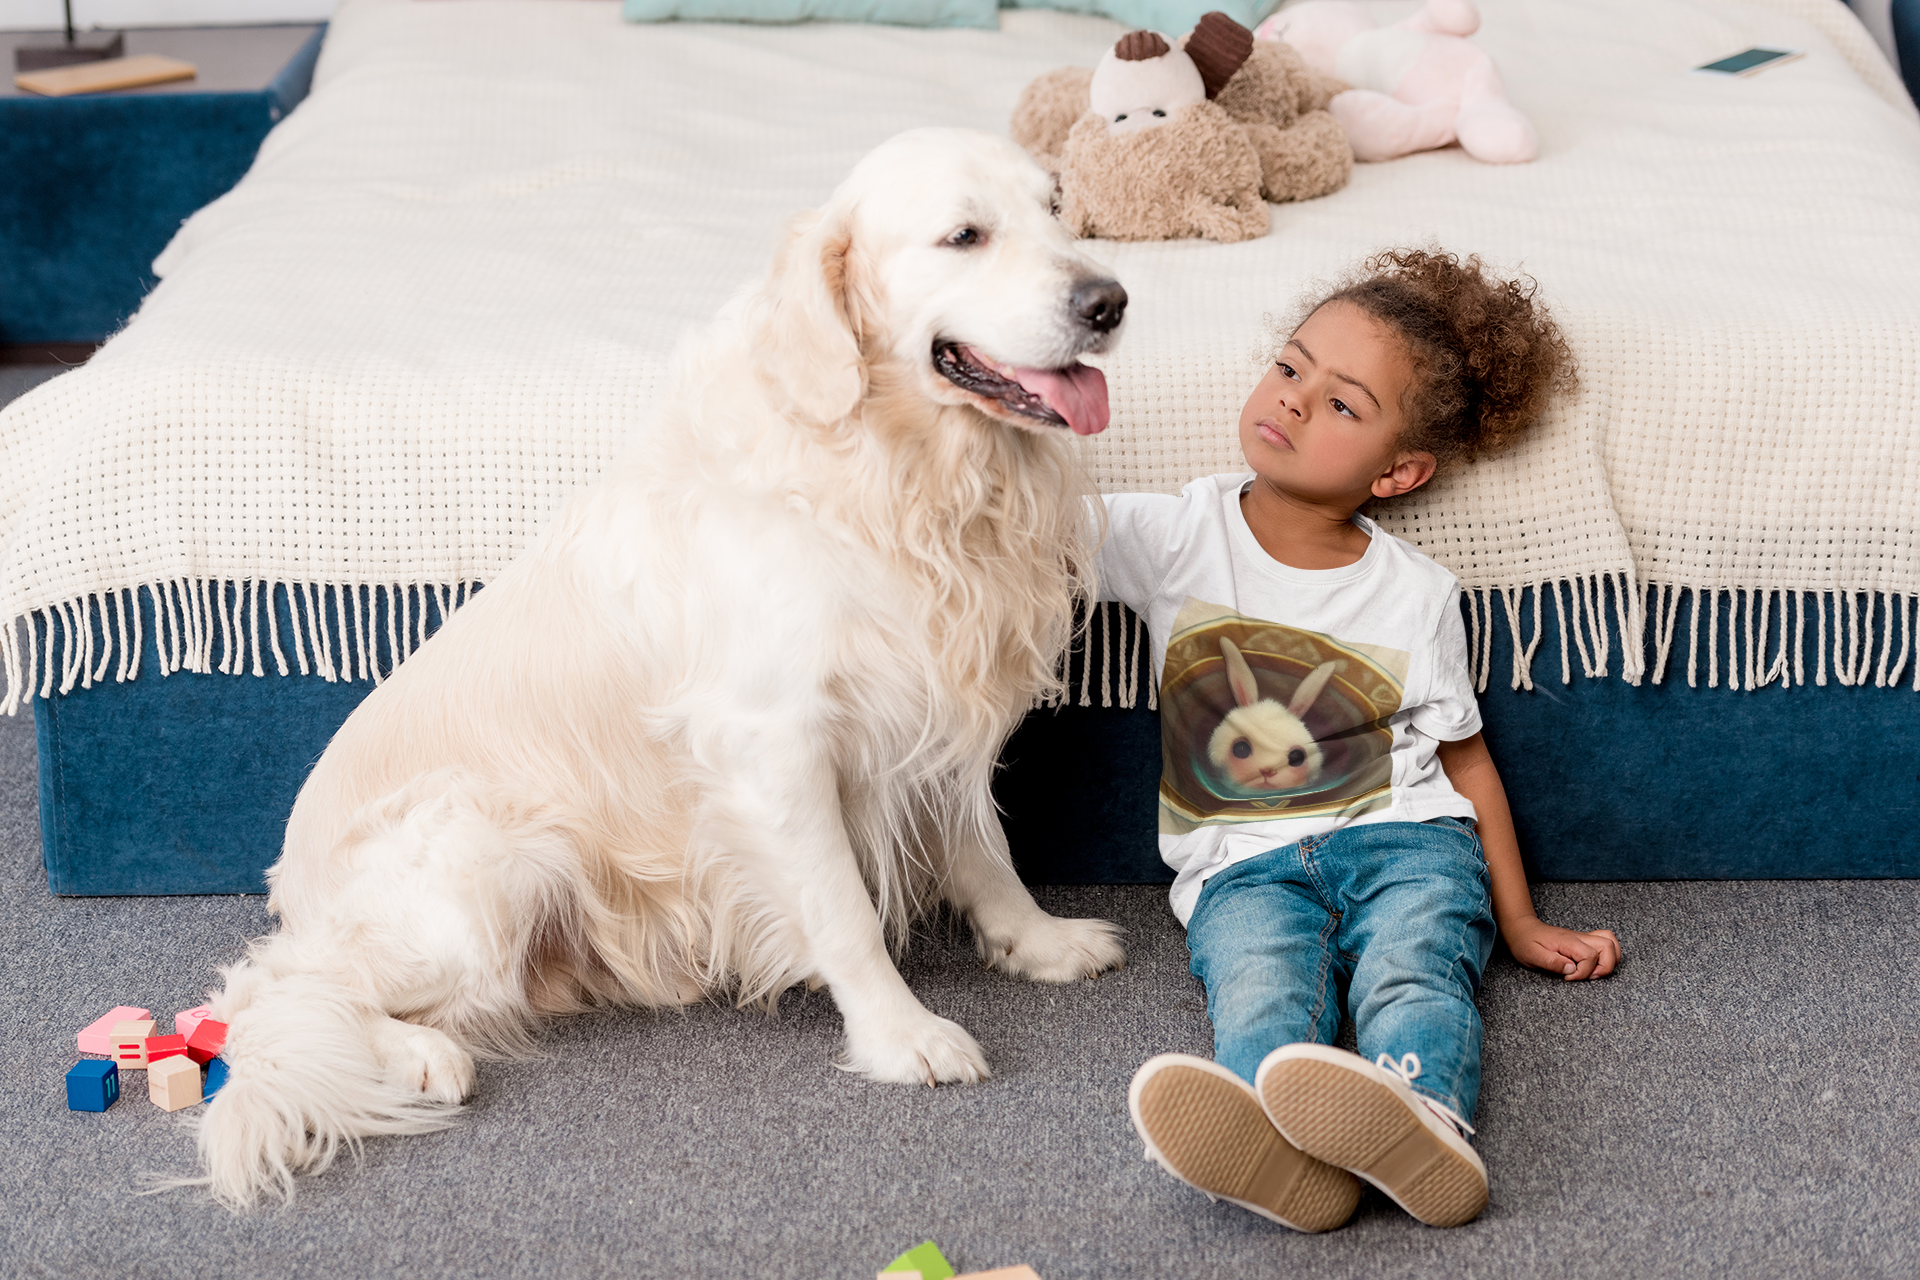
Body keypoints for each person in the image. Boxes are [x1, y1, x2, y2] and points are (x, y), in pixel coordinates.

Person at [1105, 248, 1621, 1232]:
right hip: (1241, 866)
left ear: (1399, 470)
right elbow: (1025, 523)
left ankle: (1427, 1120)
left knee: (1413, 965)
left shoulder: (1415, 593)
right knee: (1258, 983)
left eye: (1342, 404)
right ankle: (1278, 1144)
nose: (1294, 402)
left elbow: (1468, 762)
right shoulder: (1178, 533)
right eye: (1291, 367)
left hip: (1406, 837)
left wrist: (1518, 921)